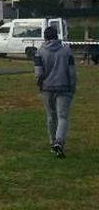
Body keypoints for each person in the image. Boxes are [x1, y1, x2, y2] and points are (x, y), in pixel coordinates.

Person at [35, 26, 77, 158]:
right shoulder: (67, 50)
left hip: (47, 88)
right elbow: (72, 71)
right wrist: (72, 86)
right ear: (57, 36)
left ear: (45, 37)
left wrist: (40, 85)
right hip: (64, 87)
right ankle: (59, 141)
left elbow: (38, 73)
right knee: (62, 116)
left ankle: (53, 143)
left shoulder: (39, 52)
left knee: (51, 117)